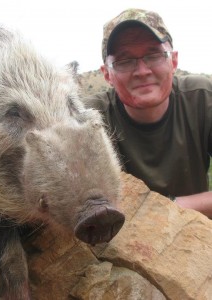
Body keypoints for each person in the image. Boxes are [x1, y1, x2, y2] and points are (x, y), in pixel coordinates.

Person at [83, 8, 212, 218]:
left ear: (174, 60)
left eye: (153, 55)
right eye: (124, 61)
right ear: (107, 74)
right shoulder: (90, 118)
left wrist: (168, 208)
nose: (142, 71)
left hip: (196, 234)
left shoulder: (203, 97)